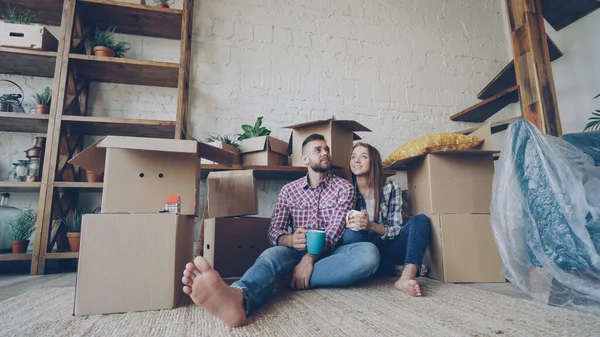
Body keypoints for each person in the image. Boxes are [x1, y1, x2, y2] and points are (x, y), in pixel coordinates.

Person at [181, 134, 381, 327]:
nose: (325, 153)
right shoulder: (289, 190)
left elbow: (335, 231)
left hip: (331, 253)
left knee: (369, 254)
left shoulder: (344, 188)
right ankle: (237, 298)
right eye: (318, 150)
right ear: (305, 158)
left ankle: (284, 279)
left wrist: (309, 259)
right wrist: (290, 240)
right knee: (270, 256)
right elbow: (274, 230)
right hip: (294, 251)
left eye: (327, 149)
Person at [341, 142, 431, 297]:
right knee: (350, 236)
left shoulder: (390, 188)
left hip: (388, 247)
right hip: (362, 252)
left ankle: (407, 275)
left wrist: (371, 226)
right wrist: (351, 222)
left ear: (374, 161)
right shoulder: (344, 188)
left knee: (421, 220)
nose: (356, 161)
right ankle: (393, 269)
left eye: (363, 156)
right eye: (353, 157)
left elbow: (396, 228)